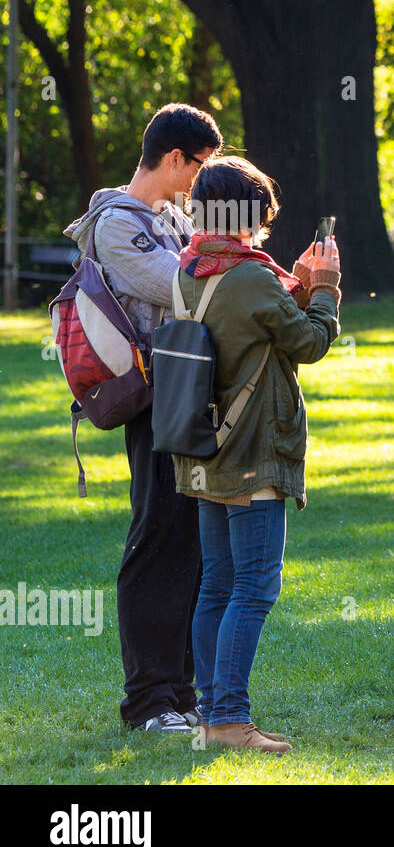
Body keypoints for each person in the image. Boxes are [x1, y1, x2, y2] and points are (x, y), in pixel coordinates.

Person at [170, 156, 341, 755]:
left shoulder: (189, 269)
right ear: (248, 214)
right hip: (252, 451)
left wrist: (293, 283)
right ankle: (229, 719)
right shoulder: (251, 277)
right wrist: (326, 289)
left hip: (204, 449)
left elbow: (255, 320)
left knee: (217, 586)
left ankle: (214, 714)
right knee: (255, 588)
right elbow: (311, 342)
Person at [63, 103, 223, 733]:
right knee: (158, 537)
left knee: (193, 541)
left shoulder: (174, 220)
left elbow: (206, 277)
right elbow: (180, 288)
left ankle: (182, 693)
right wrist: (229, 267)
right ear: (174, 157)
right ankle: (148, 700)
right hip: (155, 399)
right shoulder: (117, 225)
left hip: (189, 390)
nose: (200, 180)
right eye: (199, 166)